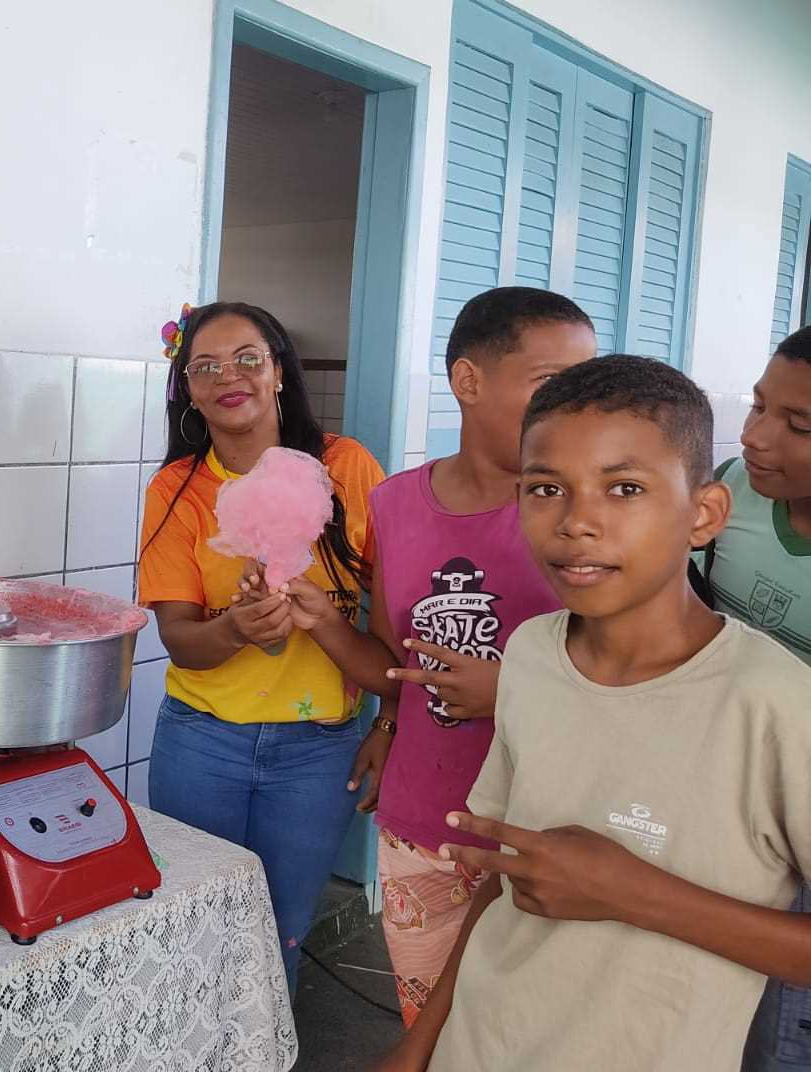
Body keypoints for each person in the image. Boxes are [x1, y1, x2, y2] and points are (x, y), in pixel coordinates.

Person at [381, 355, 811, 1072]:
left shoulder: (774, 703)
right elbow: (502, 875)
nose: (578, 521)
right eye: (546, 488)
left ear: (703, 514)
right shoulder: (529, 655)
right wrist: (420, 1043)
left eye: (625, 488)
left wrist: (633, 893)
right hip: (480, 1045)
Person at [136, 300, 392, 989]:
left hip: (318, 749)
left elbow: (397, 621)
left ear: (279, 371)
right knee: (190, 933)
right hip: (201, 742)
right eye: (206, 366)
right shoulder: (177, 488)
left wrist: (390, 723)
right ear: (187, 389)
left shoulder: (348, 467)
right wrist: (235, 628)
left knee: (275, 935)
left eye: (249, 357)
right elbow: (180, 640)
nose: (230, 376)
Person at [365, 287, 596, 1025]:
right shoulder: (396, 503)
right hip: (422, 825)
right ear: (468, 381)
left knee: (529, 1038)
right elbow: (388, 654)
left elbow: (642, 677)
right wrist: (385, 725)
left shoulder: (584, 514)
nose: (574, 406)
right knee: (429, 1026)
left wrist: (514, 689)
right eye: (551, 384)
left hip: (550, 833)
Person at [696, 326, 811, 1071]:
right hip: (712, 780)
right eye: (759, 404)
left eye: (797, 424)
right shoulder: (727, 490)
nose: (756, 435)